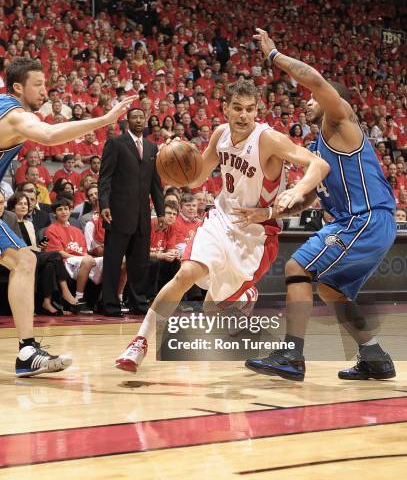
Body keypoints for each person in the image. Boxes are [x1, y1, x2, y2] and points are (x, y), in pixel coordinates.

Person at [115, 80, 329, 372]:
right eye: (237, 108)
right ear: (226, 108)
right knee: (186, 273)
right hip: (220, 218)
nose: (243, 115)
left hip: (256, 232)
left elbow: (319, 165)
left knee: (211, 310)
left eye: (250, 109)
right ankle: (139, 342)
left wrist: (293, 191)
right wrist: (172, 161)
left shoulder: (269, 139)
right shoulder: (220, 135)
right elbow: (194, 179)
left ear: (257, 111)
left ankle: (243, 295)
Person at [243, 28, 397, 382]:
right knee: (330, 290)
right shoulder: (317, 149)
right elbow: (309, 198)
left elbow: (314, 79)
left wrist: (273, 56)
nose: (307, 102)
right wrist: (267, 212)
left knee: (298, 266)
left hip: (365, 218)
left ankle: (292, 355)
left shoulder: (339, 118)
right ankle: (375, 356)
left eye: (314, 99)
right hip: (360, 222)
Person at [0, 57, 136, 376]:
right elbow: (48, 136)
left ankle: (27, 351)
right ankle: (27, 351)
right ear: (18, 87)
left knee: (24, 260)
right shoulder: (15, 114)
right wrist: (103, 119)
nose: (45, 91)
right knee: (25, 260)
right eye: (39, 84)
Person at [99, 107, 165, 317]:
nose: (138, 120)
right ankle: (109, 304)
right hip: (118, 213)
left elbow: (156, 184)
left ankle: (138, 303)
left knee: (140, 263)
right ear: (127, 121)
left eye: (141, 117)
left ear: (145, 121)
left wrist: (161, 211)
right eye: (134, 117)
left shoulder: (152, 148)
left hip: (143, 215)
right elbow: (105, 178)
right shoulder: (115, 143)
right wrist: (104, 205)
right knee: (112, 261)